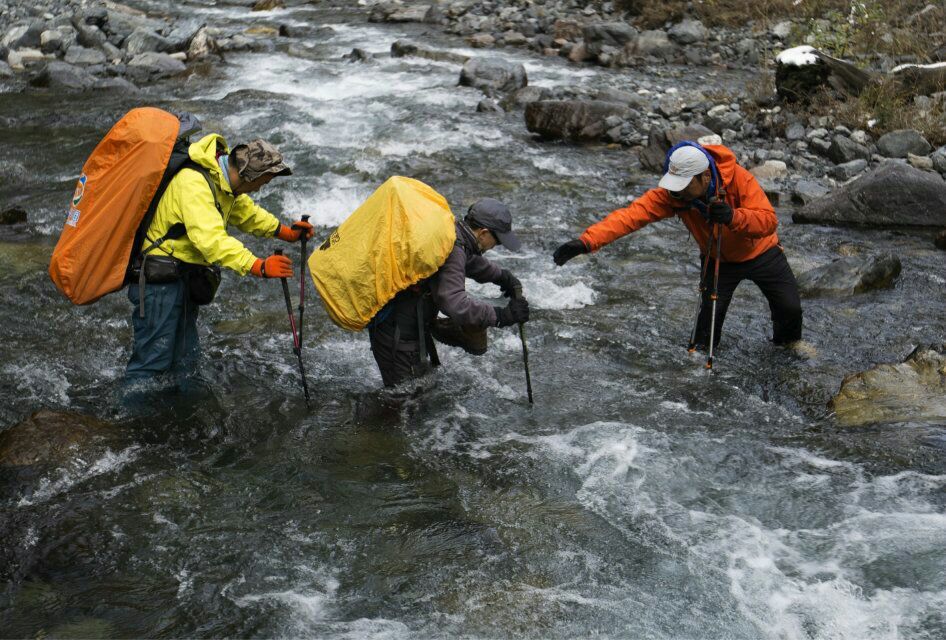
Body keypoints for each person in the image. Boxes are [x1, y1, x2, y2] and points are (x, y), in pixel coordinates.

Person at [552, 141, 802, 351]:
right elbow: (629, 217)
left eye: (683, 186)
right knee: (707, 326)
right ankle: (698, 369)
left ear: (705, 177)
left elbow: (768, 221)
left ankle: (788, 348)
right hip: (718, 260)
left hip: (762, 251)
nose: (677, 193)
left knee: (789, 308)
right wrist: (586, 242)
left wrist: (733, 217)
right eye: (674, 185)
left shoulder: (738, 179)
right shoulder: (673, 196)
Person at [126, 135, 314, 384]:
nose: (260, 189)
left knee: (185, 359)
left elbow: (246, 213)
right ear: (249, 176)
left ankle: (179, 411)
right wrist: (258, 266)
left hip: (183, 275)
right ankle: (130, 417)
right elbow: (210, 240)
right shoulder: (194, 183)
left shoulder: (222, 181)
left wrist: (285, 232)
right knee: (152, 362)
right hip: (159, 282)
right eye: (262, 182)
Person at [367, 198, 530, 387]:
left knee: (417, 393)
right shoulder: (454, 247)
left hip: (403, 324)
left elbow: (468, 261)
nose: (496, 246)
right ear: (484, 233)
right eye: (498, 241)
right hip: (398, 333)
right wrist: (501, 316)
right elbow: (454, 303)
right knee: (403, 401)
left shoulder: (452, 233)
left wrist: (502, 276)